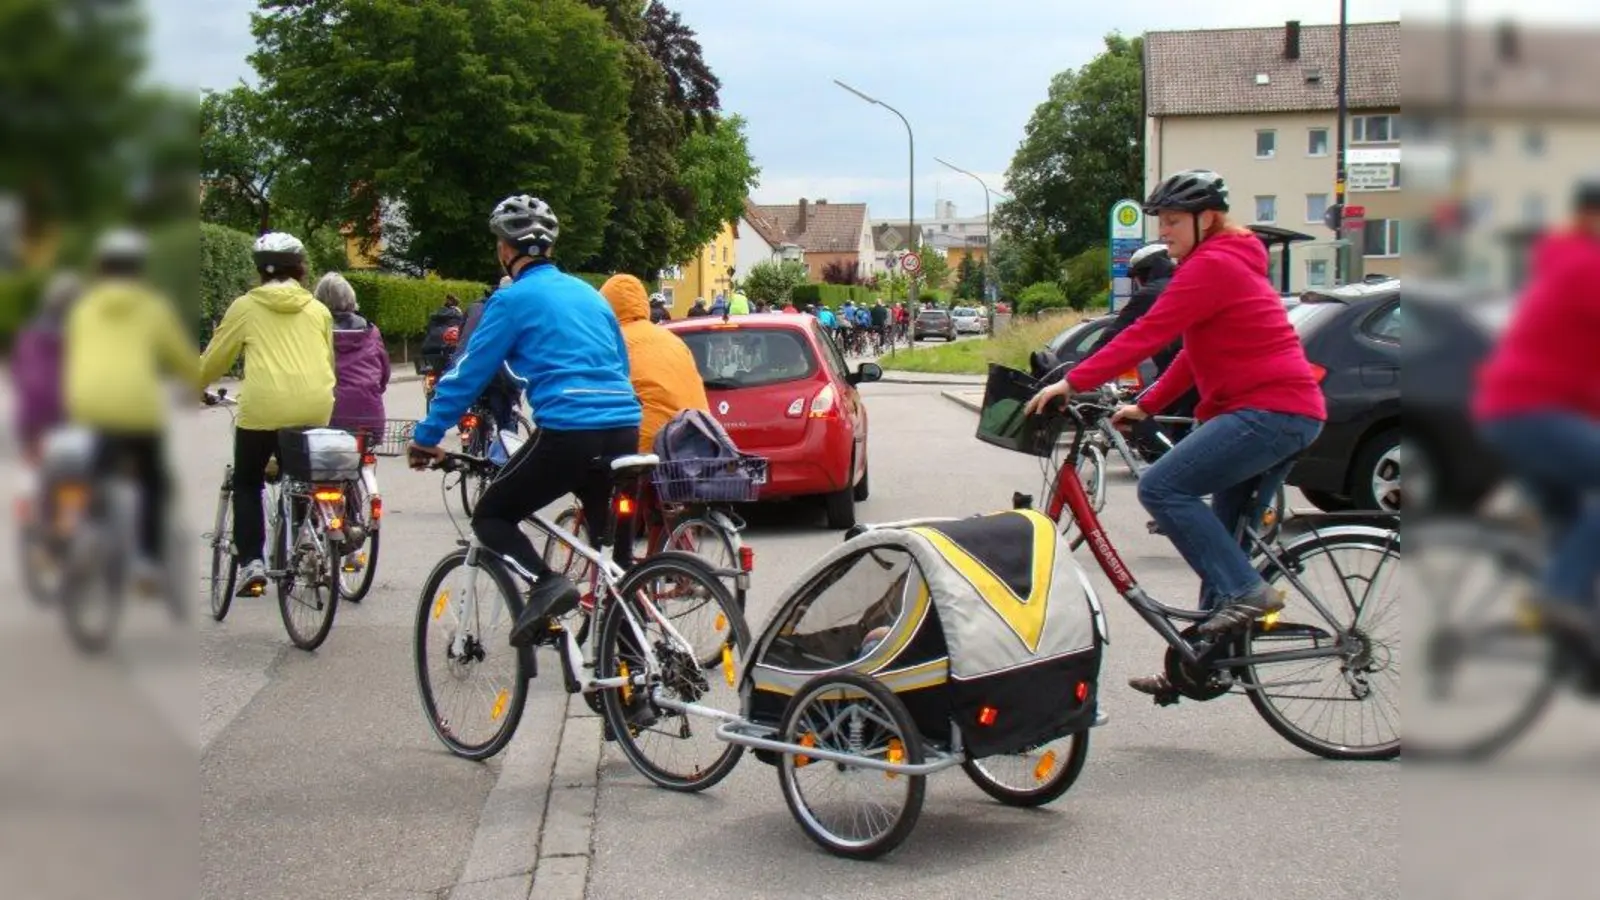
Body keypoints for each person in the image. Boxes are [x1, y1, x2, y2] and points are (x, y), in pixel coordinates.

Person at [1023, 169, 1326, 696]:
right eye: (1160, 221)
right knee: (1224, 535)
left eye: (1173, 221)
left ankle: (1246, 591)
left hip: (1268, 412)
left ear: (1207, 219)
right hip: (1282, 412)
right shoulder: (1223, 262)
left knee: (1162, 487)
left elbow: (1148, 332)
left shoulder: (1213, 265)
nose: (1163, 231)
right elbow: (1190, 353)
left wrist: (1073, 381)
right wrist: (1146, 405)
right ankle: (1202, 661)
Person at [406, 194, 641, 649]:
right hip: (624, 428)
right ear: (550, 247)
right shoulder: (591, 297)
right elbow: (620, 364)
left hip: (570, 432)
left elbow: (468, 373)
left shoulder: (511, 300)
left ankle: (546, 582)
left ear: (504, 249)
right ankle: (635, 672)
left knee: (492, 515)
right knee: (616, 562)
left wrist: (427, 436)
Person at [1474, 175, 1600, 638]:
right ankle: (1559, 597)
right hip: (1530, 412)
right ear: (1589, 217)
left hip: (1513, 412)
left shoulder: (1567, 261)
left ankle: (1577, 643)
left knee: (1572, 526)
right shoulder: (1586, 267)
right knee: (1574, 550)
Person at [200, 232, 337, 597]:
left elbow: (215, 359)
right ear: (301, 269)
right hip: (313, 405)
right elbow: (329, 363)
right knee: (302, 480)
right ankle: (307, 542)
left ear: (259, 270)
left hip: (263, 408)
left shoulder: (245, 307)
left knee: (248, 481)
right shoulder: (318, 310)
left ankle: (252, 563)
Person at [64, 229, 202, 586]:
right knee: (154, 481)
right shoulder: (153, 306)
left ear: (101, 267)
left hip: (89, 403)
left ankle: (84, 531)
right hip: (137, 406)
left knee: (96, 469)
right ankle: (146, 560)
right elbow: (180, 356)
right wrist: (196, 385)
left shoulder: (84, 306)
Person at [599, 274, 711, 563]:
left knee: (624, 495)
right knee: (661, 498)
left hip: (646, 438)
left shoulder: (612, 341)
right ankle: (664, 562)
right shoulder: (671, 338)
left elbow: (599, 392)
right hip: (690, 436)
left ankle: (620, 569)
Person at [11, 272, 82, 464]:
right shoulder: (78, 333)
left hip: (30, 410)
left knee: (35, 465)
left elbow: (16, 371)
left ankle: (32, 462)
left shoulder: (28, 332)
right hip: (64, 410)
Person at [314, 272, 389, 439]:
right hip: (369, 415)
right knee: (365, 450)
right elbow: (384, 374)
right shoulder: (371, 331)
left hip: (327, 414)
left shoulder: (315, 331)